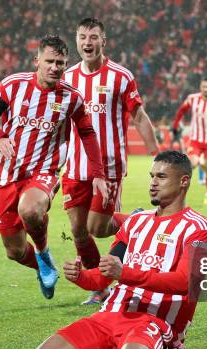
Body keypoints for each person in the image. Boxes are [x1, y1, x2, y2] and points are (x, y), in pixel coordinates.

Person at [20, 151, 207, 349]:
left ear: (184, 181)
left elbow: (185, 282)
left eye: (161, 177)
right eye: (151, 176)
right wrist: (80, 276)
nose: (153, 183)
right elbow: (102, 278)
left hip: (153, 321)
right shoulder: (135, 222)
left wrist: (125, 274)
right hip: (108, 316)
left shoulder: (199, 228)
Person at [0, 35, 107, 299]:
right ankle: (43, 264)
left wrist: (98, 174)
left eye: (60, 63)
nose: (55, 67)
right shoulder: (12, 85)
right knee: (13, 251)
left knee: (30, 210)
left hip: (43, 173)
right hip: (7, 174)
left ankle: (43, 248)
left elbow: (88, 134)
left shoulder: (72, 98)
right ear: (37, 60)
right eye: (49, 61)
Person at [62, 18, 159, 305]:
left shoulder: (121, 76)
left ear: (104, 41)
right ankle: (100, 287)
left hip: (109, 166)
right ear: (76, 40)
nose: (87, 42)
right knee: (79, 230)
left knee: (97, 228)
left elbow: (139, 117)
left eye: (93, 37)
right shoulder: (67, 78)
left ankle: (136, 221)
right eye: (82, 37)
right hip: (75, 166)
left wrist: (157, 155)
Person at [172, 79, 207, 205]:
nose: (205, 89)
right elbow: (181, 111)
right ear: (200, 87)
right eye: (203, 87)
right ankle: (180, 195)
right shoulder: (192, 98)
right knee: (192, 164)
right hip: (196, 139)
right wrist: (175, 125)